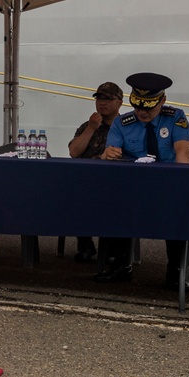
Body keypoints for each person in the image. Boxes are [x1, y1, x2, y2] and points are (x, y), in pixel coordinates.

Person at [97, 73, 189, 286]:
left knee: (179, 211)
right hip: (134, 186)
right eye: (138, 106)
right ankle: (121, 265)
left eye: (148, 107)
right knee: (113, 204)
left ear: (162, 101)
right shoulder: (122, 123)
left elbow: (183, 157)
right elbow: (108, 155)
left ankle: (177, 269)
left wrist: (179, 188)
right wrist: (108, 155)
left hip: (169, 184)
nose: (141, 112)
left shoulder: (176, 118)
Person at [67, 81, 124, 263]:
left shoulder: (126, 126)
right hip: (86, 180)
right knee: (75, 195)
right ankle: (85, 245)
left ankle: (113, 249)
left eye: (108, 99)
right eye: (99, 98)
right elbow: (74, 152)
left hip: (114, 181)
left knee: (113, 202)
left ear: (120, 102)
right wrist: (91, 129)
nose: (102, 103)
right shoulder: (88, 125)